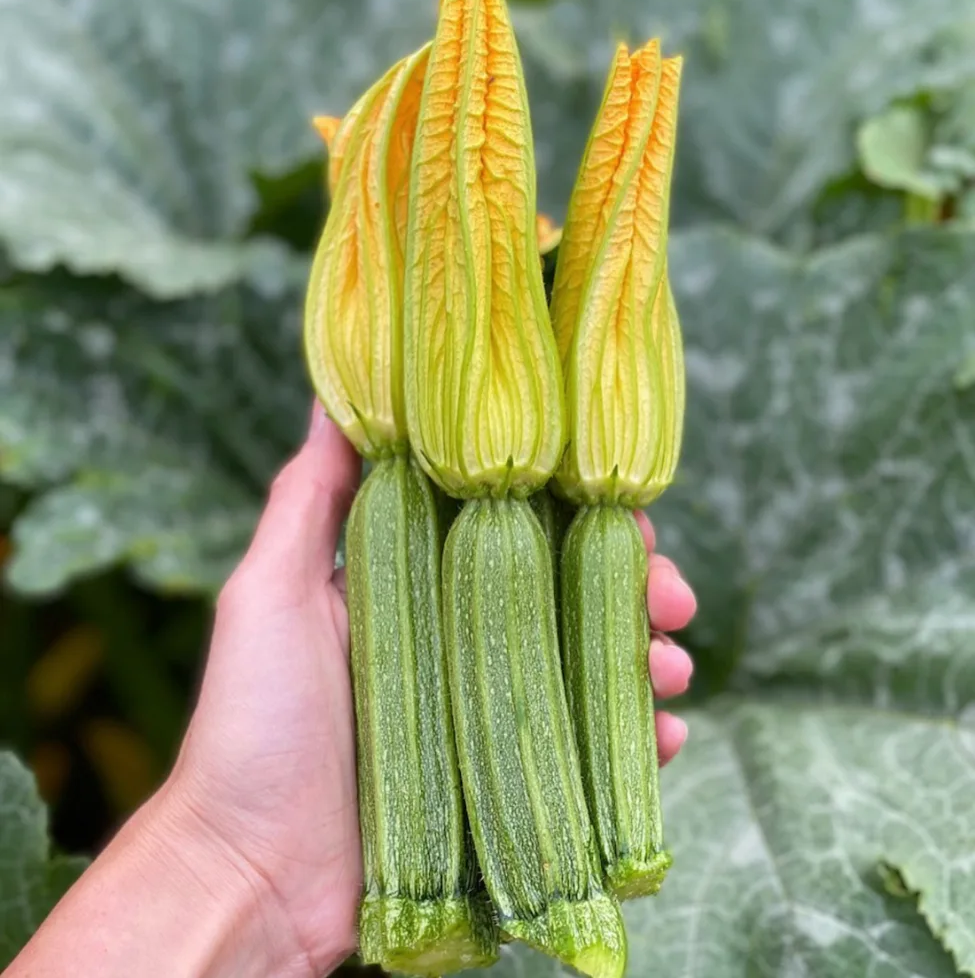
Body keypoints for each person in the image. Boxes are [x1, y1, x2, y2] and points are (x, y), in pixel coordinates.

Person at [7, 406, 696, 978]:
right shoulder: (415, 506)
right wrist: (227, 850)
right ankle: (538, 892)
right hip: (435, 874)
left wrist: (225, 862)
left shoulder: (457, 514)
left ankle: (535, 891)